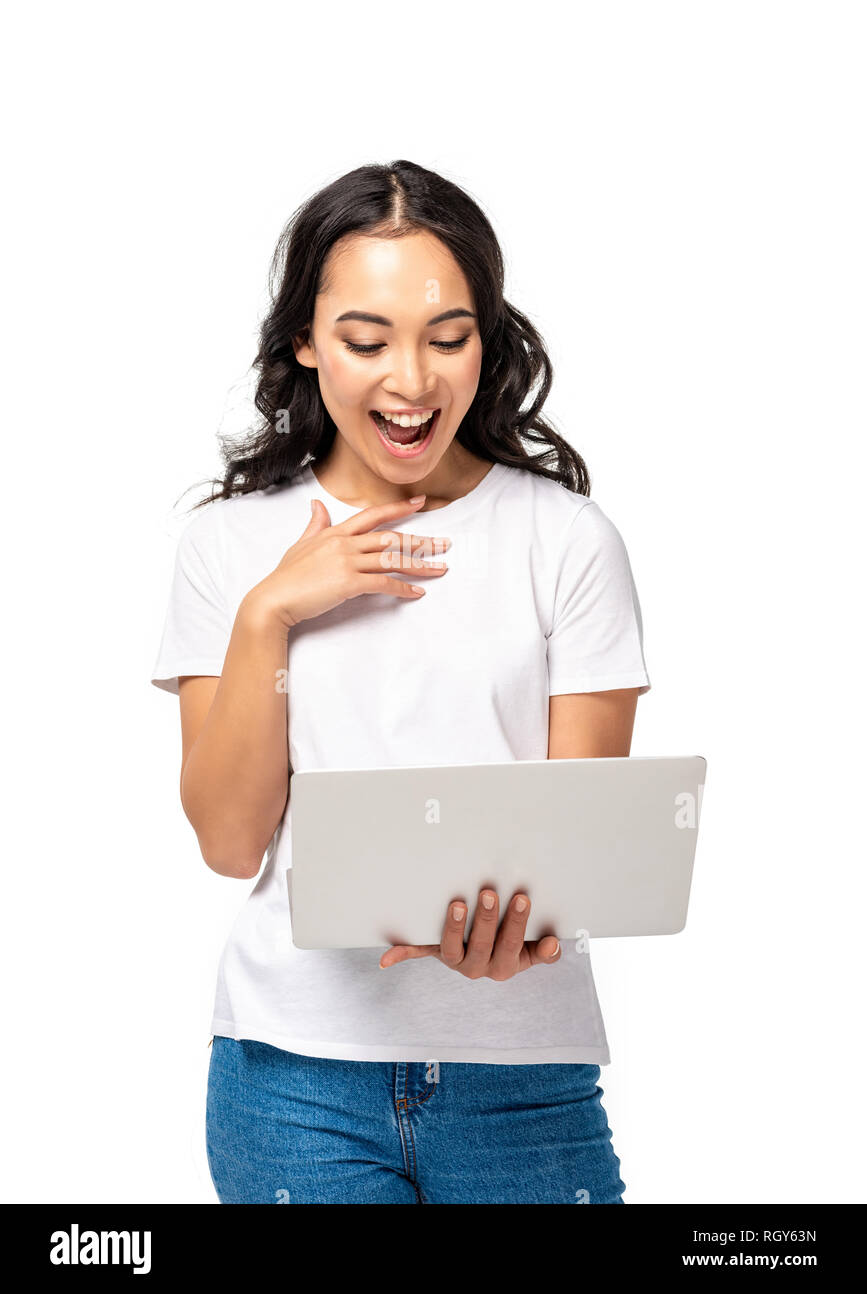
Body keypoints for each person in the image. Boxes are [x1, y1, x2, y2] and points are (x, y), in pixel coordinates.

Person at [152, 159, 651, 1204]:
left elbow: (584, 847)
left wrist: (530, 928)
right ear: (305, 339)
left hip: (524, 1077)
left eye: (449, 337)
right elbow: (229, 841)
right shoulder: (228, 547)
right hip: (294, 1081)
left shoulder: (565, 539)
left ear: (488, 338)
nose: (412, 382)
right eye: (367, 341)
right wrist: (272, 611)